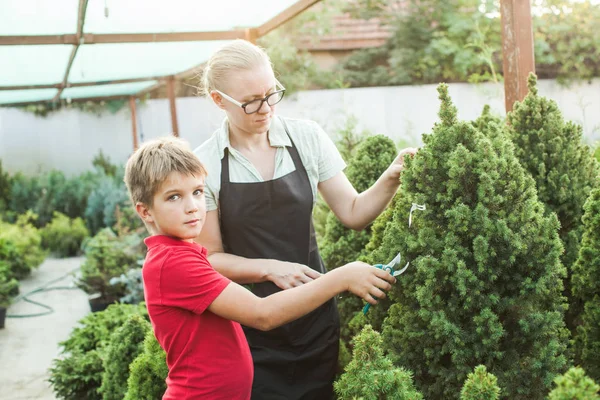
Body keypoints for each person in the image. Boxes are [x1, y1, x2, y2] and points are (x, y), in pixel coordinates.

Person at [194, 39, 417, 400]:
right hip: (249, 329)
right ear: (219, 100)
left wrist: (391, 176)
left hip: (316, 321)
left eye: (272, 94)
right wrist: (270, 268)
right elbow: (211, 259)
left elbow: (354, 212)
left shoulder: (306, 138)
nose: (265, 108)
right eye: (251, 101)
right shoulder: (203, 165)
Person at [123, 137, 396, 400]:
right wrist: (342, 277)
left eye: (196, 192)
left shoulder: (183, 253)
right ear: (145, 211)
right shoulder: (174, 263)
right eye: (173, 197)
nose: (192, 207)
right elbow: (262, 314)